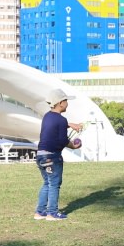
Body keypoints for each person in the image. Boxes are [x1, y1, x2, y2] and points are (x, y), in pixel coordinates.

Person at [34, 88, 83, 221]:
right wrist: (74, 145)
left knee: (47, 183)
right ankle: (52, 213)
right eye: (66, 101)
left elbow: (54, 124)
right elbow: (62, 141)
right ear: (61, 103)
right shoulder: (61, 120)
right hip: (52, 157)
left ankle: (40, 212)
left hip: (40, 156)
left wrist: (70, 125)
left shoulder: (47, 116)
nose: (67, 103)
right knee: (54, 184)